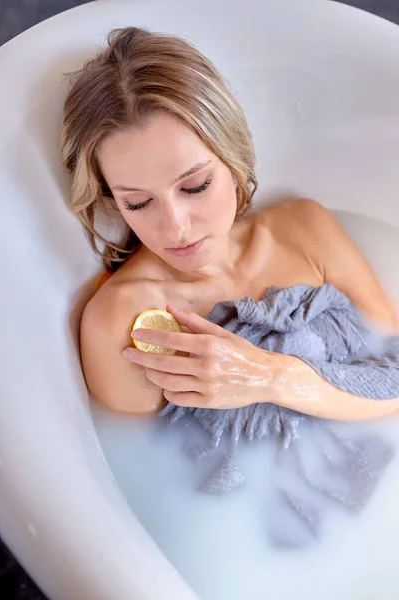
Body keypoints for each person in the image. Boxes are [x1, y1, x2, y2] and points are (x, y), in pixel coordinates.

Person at [61, 26, 399, 421]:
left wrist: (273, 378)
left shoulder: (304, 230)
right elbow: (148, 469)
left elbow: (393, 371)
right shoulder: (121, 322)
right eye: (137, 203)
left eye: (195, 185)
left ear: (232, 158)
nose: (176, 227)